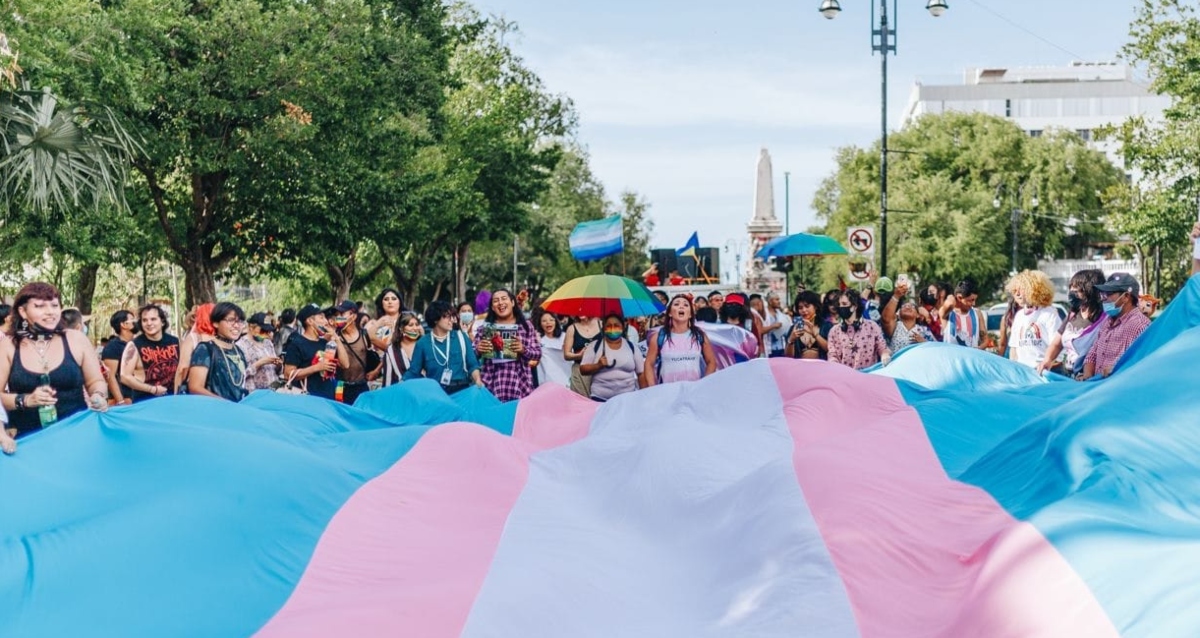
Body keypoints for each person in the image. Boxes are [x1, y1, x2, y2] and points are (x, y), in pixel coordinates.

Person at [0, 282, 108, 452]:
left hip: (78, 437)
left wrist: (99, 395)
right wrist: (26, 400)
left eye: (54, 305)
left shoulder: (76, 339)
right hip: (29, 442)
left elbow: (96, 381)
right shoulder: (8, 346)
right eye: (40, 306)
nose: (50, 312)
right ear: (22, 311)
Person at [1080, 272, 1152, 381]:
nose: (1103, 298)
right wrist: (1087, 376)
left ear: (1126, 297)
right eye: (1103, 293)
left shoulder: (1140, 326)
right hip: (1097, 389)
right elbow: (1092, 355)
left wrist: (1118, 369)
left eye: (1109, 293)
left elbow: (1143, 363)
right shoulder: (1107, 323)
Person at [474, 289, 541, 402]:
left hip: (521, 385)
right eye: (496, 300)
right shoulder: (485, 329)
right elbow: (471, 357)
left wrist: (523, 350)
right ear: (492, 307)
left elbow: (537, 353)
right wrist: (478, 350)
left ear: (513, 302)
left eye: (504, 299)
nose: (500, 303)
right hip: (492, 385)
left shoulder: (526, 326)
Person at [404, 300, 483, 393]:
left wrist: (478, 379)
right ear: (436, 319)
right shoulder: (422, 343)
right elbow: (414, 372)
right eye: (447, 317)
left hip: (461, 390)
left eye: (452, 317)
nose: (452, 320)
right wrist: (401, 383)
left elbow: (473, 365)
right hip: (436, 393)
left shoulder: (461, 337)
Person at [1038, 269, 1105, 377]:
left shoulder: (1104, 318)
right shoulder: (1072, 315)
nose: (1071, 293)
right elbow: (1056, 344)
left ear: (1090, 291)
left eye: (1076, 290)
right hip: (1069, 375)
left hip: (1091, 377)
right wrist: (1048, 359)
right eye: (1071, 289)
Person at [643, 295, 717, 386]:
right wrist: (653, 388)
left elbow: (711, 362)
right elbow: (649, 363)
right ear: (670, 313)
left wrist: (703, 384)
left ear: (690, 314)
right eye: (676, 304)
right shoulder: (659, 337)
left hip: (693, 392)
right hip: (667, 394)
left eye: (686, 305)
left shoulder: (699, 335)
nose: (681, 306)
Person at [281, 303, 346, 400]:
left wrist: (336, 338)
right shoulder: (296, 344)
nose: (326, 321)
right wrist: (317, 367)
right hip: (308, 399)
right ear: (310, 321)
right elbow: (288, 374)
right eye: (321, 318)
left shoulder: (325, 342)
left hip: (328, 397)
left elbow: (345, 364)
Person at [188, 303, 250, 402]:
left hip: (238, 411)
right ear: (215, 323)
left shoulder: (238, 351)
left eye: (240, 321)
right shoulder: (205, 349)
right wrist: (226, 404)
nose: (237, 326)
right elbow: (195, 388)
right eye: (230, 320)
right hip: (213, 412)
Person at [120, 304, 181, 402]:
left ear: (162, 322)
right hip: (145, 402)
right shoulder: (134, 345)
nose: (149, 323)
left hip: (172, 401)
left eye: (153, 319)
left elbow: (183, 369)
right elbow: (125, 376)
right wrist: (152, 389)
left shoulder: (175, 342)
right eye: (144, 320)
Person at [580, 314, 646, 401]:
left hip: (628, 399)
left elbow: (641, 373)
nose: (612, 328)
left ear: (623, 327)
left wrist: (645, 396)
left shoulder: (632, 347)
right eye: (609, 326)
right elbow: (583, 369)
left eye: (616, 326)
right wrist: (598, 365)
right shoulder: (594, 346)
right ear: (603, 328)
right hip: (599, 399)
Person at [1005, 270, 1063, 369]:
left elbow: (1057, 346)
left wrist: (1046, 366)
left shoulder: (1049, 313)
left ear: (1035, 290)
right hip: (1023, 373)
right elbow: (1014, 348)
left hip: (1045, 372)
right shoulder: (1019, 315)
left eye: (1021, 290)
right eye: (1014, 291)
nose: (1017, 294)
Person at [328, 300, 378, 404]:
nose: (338, 318)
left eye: (342, 314)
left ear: (354, 316)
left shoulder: (365, 335)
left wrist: (376, 370)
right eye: (336, 315)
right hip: (340, 387)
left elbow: (390, 351)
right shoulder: (333, 337)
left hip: (361, 386)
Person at [827, 289, 891, 370]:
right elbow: (832, 355)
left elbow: (882, 347)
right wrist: (834, 366)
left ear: (854, 306)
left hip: (869, 377)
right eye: (839, 304)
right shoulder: (834, 331)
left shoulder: (872, 326)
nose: (841, 307)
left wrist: (885, 355)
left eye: (844, 304)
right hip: (844, 379)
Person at [175, 302, 214, 394]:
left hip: (195, 390)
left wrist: (176, 391)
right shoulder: (221, 339)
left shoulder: (193, 338)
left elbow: (182, 368)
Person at [101, 310, 137, 405]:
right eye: (132, 319)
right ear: (123, 324)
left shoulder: (136, 344)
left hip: (138, 397)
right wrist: (121, 402)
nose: (136, 322)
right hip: (124, 400)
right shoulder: (112, 347)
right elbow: (110, 376)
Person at [239, 312, 282, 391]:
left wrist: (279, 365)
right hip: (254, 393)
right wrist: (259, 363)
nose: (266, 334)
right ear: (251, 327)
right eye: (263, 331)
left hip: (274, 390)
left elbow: (277, 371)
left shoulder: (268, 343)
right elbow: (239, 376)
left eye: (268, 331)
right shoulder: (240, 345)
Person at [940, 278, 987, 349]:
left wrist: (978, 349)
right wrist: (951, 296)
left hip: (970, 358)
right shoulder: (948, 314)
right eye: (971, 300)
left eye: (975, 300)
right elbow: (950, 303)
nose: (973, 303)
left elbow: (985, 340)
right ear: (959, 297)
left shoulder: (977, 313)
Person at [562, 315, 601, 397]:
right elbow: (566, 355)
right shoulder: (571, 329)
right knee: (581, 403)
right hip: (579, 372)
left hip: (599, 370)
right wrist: (579, 355)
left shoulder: (601, 325)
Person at [382, 312, 422, 387]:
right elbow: (388, 380)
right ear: (401, 328)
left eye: (417, 325)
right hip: (404, 393)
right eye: (410, 325)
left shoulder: (424, 345)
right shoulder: (392, 350)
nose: (415, 328)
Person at [785, 291, 828, 360]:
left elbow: (832, 350)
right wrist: (791, 340)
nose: (804, 310)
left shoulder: (826, 326)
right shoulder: (794, 329)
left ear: (815, 306)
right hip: (800, 368)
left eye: (807, 306)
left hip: (823, 368)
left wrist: (816, 335)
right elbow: (788, 357)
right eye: (800, 308)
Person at [532, 308, 569, 387]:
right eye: (544, 321)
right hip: (546, 381)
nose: (548, 322)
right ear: (540, 324)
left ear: (556, 322)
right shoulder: (539, 340)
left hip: (565, 379)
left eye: (551, 320)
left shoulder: (564, 337)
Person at [761, 291, 792, 358]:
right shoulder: (764, 314)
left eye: (779, 299)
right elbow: (760, 330)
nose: (779, 302)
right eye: (776, 299)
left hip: (781, 348)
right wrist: (773, 326)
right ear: (770, 301)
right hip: (769, 349)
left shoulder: (780, 314)